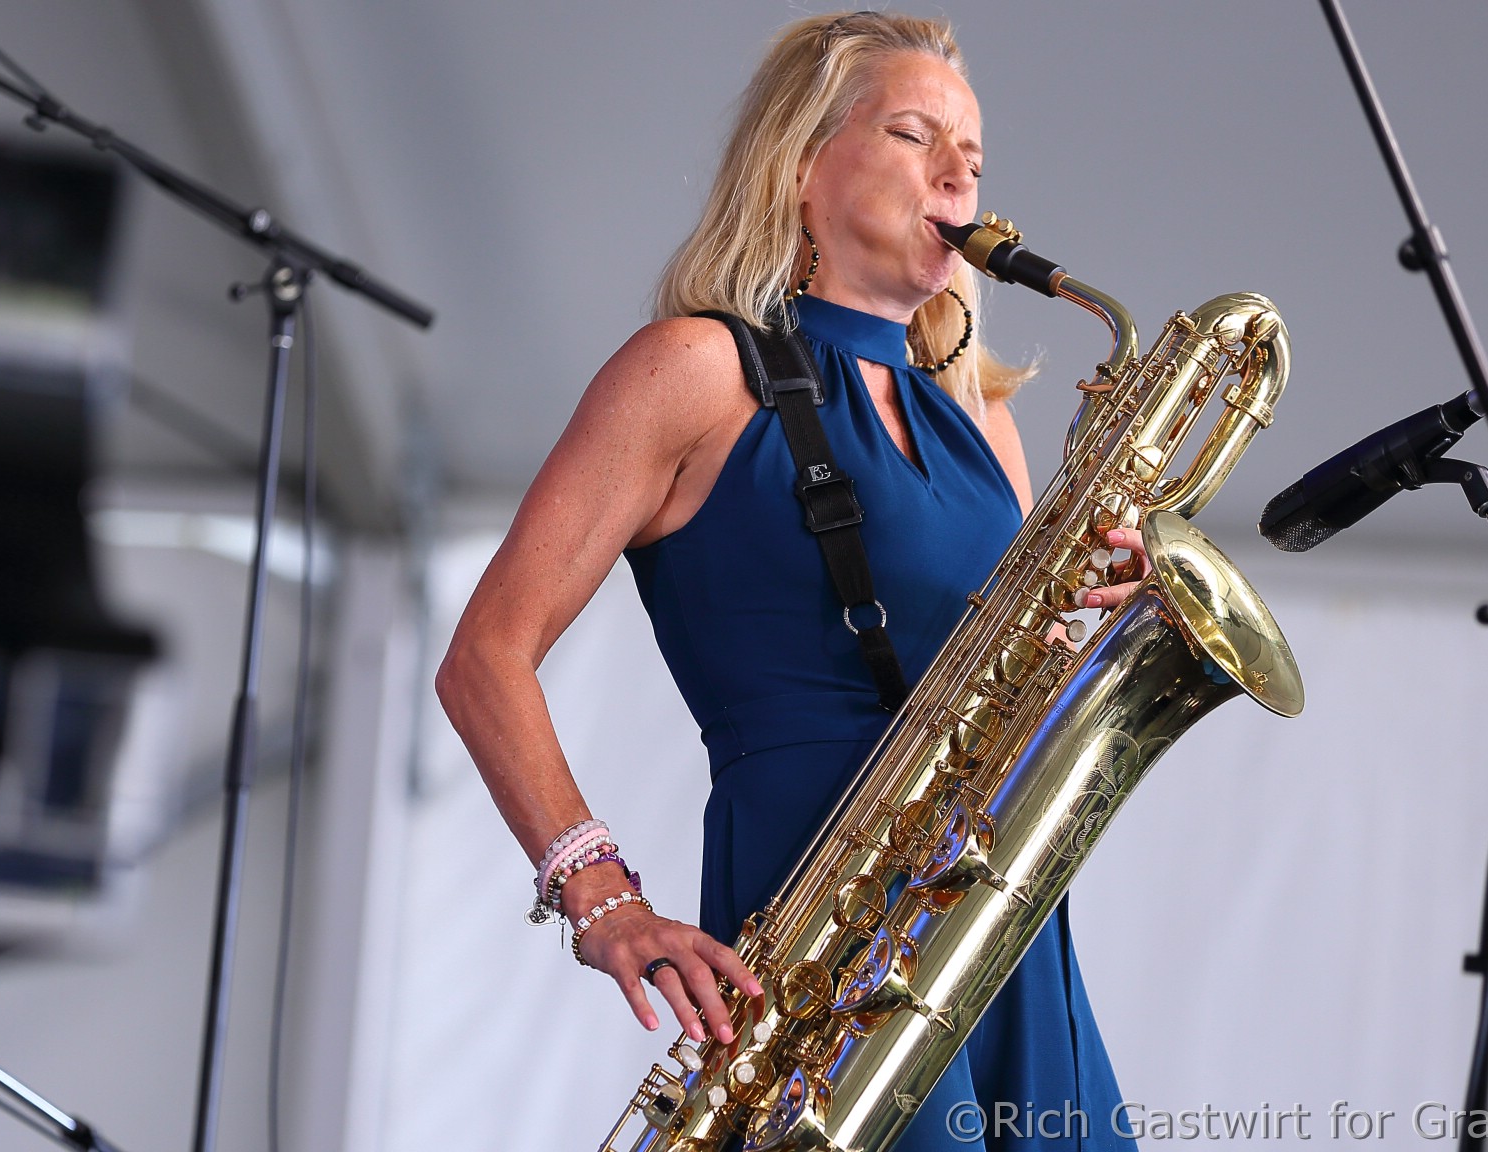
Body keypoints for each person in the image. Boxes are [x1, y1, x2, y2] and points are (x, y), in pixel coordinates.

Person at [436, 12, 1139, 1150]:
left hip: (995, 916)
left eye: (974, 154)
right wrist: (601, 896)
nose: (960, 171)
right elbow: (484, 659)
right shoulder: (691, 372)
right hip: (818, 918)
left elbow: (1022, 697)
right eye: (916, 134)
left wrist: (1112, 616)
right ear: (804, 165)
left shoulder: (984, 417)